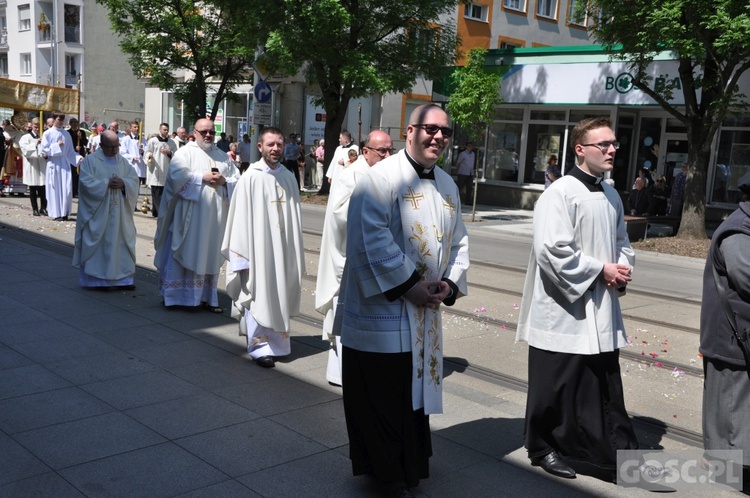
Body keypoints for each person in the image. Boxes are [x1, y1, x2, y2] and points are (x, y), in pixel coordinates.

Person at [335, 104, 469, 496]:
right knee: (382, 395)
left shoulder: (447, 183)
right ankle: (387, 473)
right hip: (385, 311)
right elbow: (368, 237)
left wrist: (449, 282)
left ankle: (410, 465)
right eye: (430, 129)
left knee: (411, 396)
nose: (438, 137)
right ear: (410, 130)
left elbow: (460, 238)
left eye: (445, 131)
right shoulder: (378, 180)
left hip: (424, 310)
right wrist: (409, 284)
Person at [516, 117, 638, 479]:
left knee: (599, 382)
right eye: (604, 144)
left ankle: (612, 454)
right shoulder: (560, 192)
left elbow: (622, 243)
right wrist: (601, 270)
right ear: (580, 149)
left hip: (599, 301)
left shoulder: (611, 193)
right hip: (563, 306)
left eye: (614, 143)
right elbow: (552, 250)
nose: (612, 149)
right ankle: (541, 447)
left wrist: (622, 268)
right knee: (555, 383)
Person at [316, 130, 394, 386]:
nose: (386, 155)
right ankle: (340, 373)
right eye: (381, 150)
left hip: (373, 256)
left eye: (390, 150)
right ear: (365, 151)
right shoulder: (352, 175)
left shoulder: (385, 174)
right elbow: (339, 213)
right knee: (346, 313)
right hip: (350, 257)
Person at [222, 127, 304, 369]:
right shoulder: (250, 177)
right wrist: (240, 259)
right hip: (257, 252)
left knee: (279, 291)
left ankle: (279, 344)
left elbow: (294, 219)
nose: (276, 149)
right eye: (270, 144)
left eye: (279, 144)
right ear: (260, 147)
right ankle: (258, 346)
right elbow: (238, 220)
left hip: (282, 250)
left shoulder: (288, 177)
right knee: (258, 292)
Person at [153, 118, 240, 313]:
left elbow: (237, 179)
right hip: (189, 219)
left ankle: (207, 298)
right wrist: (202, 177)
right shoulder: (184, 153)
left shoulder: (223, 157)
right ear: (195, 132)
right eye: (204, 132)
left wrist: (225, 181)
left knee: (208, 253)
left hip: (214, 220)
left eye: (211, 132)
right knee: (188, 251)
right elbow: (176, 176)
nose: (208, 135)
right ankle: (178, 297)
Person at [700, 171, 750, 473]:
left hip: (738, 335)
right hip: (733, 337)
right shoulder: (739, 232)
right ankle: (726, 467)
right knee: (732, 406)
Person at [72, 130, 140, 289]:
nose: (114, 150)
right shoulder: (90, 161)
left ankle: (123, 280)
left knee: (122, 242)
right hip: (98, 213)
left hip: (120, 214)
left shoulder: (122, 161)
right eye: (110, 147)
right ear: (101, 145)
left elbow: (134, 179)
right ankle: (98, 280)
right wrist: (105, 184)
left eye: (117, 146)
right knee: (101, 243)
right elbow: (85, 183)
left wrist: (124, 183)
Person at [41, 110, 81, 221]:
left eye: (63, 120)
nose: (61, 122)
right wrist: (56, 146)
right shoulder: (47, 133)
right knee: (55, 188)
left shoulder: (66, 134)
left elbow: (70, 152)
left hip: (64, 163)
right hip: (54, 163)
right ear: (54, 119)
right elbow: (44, 151)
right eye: (59, 119)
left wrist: (78, 158)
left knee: (66, 188)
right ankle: (56, 213)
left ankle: (64, 212)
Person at [144, 123, 177, 218]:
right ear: (160, 129)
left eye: (167, 130)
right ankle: (159, 212)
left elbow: (176, 155)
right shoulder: (153, 141)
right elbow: (147, 152)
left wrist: (169, 152)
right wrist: (149, 155)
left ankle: (155, 210)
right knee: (156, 192)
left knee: (162, 193)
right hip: (155, 169)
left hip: (166, 169)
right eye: (164, 129)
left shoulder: (171, 142)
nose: (166, 131)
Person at [20, 118, 48, 216]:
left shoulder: (45, 137)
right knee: (33, 189)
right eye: (36, 127)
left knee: (43, 188)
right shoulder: (26, 137)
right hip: (32, 165)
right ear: (32, 126)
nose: (37, 129)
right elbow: (25, 150)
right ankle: (35, 208)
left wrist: (46, 154)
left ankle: (43, 208)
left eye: (39, 127)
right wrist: (35, 143)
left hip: (42, 164)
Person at [121, 121, 146, 211]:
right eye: (134, 127)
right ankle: (127, 203)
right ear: (130, 128)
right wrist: (132, 157)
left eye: (137, 127)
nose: (136, 129)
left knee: (136, 187)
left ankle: (134, 204)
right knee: (129, 186)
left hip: (139, 167)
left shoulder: (142, 139)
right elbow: (122, 153)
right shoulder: (126, 139)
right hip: (130, 165)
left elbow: (146, 152)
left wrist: (142, 151)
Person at [67, 117, 87, 198]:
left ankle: (79, 190)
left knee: (80, 173)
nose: (75, 124)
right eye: (73, 123)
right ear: (70, 124)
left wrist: (81, 137)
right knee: (73, 173)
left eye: (76, 123)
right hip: (71, 155)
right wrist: (75, 148)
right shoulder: (68, 132)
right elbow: (67, 144)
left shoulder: (81, 132)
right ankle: (73, 190)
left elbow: (86, 142)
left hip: (80, 155)